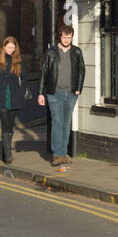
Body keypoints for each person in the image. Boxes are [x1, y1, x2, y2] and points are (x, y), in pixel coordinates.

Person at [38, 23, 85, 167]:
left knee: (66, 123)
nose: (66, 40)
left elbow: (82, 70)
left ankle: (64, 153)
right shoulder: (51, 52)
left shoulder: (76, 52)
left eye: (69, 38)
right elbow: (44, 73)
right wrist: (40, 93)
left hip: (71, 94)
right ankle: (57, 154)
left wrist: (78, 89)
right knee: (57, 122)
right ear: (60, 37)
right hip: (54, 93)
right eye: (64, 37)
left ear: (71, 37)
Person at [0, 36, 26, 164]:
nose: (11, 50)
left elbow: (24, 78)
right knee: (5, 123)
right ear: (3, 47)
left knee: (10, 124)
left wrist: (22, 91)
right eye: (9, 47)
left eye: (13, 47)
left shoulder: (19, 60)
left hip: (15, 96)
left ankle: (5, 152)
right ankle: (8, 155)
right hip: (1, 96)